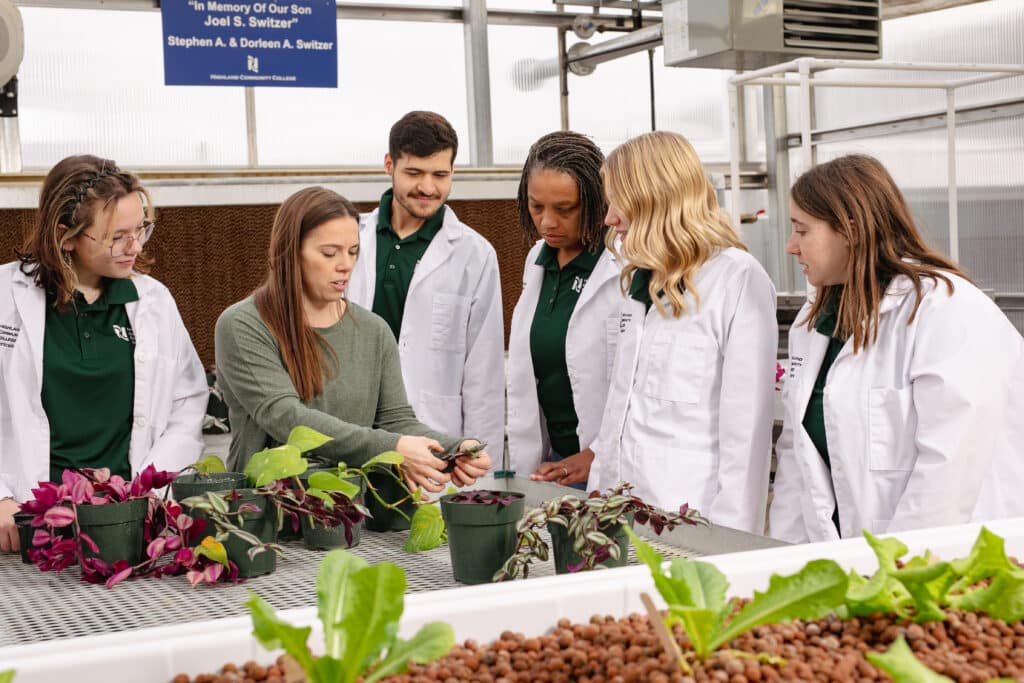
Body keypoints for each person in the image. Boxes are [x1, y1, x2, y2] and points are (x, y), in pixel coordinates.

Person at [768, 154, 1024, 543]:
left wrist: (896, 573)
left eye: (802, 231)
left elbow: (947, 473)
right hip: (853, 562)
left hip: (944, 563)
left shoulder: (944, 309)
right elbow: (797, 459)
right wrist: (782, 566)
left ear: (850, 231)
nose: (791, 246)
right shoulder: (814, 320)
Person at [214, 186, 492, 493]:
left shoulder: (373, 330)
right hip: (271, 512)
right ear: (290, 251)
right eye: (329, 253)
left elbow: (395, 420)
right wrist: (396, 447)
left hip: (353, 514)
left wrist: (454, 449)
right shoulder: (243, 325)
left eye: (353, 251)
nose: (345, 264)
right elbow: (285, 417)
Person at [0, 154, 207, 552]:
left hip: (125, 522)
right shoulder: (6, 298)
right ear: (67, 236)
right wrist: (2, 497)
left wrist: (151, 486)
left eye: (140, 230)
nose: (134, 247)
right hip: (27, 523)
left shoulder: (153, 301)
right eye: (116, 236)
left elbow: (188, 403)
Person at [589, 131, 777, 534]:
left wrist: (732, 545)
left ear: (655, 195)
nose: (609, 218)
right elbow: (618, 416)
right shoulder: (640, 280)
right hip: (615, 518)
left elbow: (746, 439)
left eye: (618, 201)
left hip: (692, 523)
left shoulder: (736, 280)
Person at [346, 111, 505, 459]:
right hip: (355, 431)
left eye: (440, 175)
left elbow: (484, 373)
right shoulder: (350, 238)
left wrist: (481, 468)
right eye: (414, 173)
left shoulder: (474, 255)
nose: (428, 187)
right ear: (389, 165)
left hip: (433, 437)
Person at [506, 131, 623, 489]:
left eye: (564, 209)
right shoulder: (536, 261)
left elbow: (637, 383)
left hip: (606, 463)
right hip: (554, 464)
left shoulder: (622, 265)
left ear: (595, 202)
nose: (547, 223)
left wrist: (598, 454)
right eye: (536, 206)